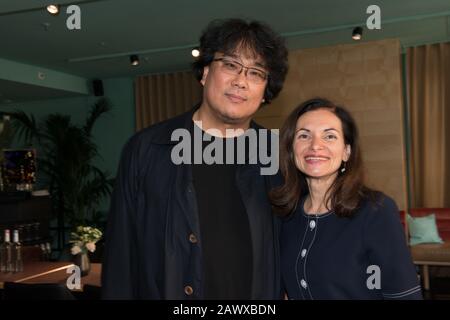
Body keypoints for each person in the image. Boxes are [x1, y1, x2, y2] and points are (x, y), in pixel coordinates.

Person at [101, 18, 288, 299]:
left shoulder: (279, 156)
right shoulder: (147, 149)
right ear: (204, 72)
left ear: (265, 92)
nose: (240, 81)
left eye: (256, 73)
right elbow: (120, 258)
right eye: (230, 65)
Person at [270, 98, 422, 300]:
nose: (315, 145)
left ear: (346, 151)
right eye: (304, 136)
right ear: (291, 149)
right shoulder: (286, 214)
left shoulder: (376, 210)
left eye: (330, 136)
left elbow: (404, 295)